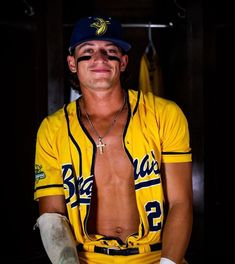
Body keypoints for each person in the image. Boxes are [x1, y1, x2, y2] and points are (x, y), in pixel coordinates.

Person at [34, 15, 193, 264]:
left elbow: (180, 202)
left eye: (110, 50)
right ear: (72, 63)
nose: (100, 58)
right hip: (86, 258)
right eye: (88, 51)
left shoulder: (164, 114)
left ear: (123, 62)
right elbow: (52, 215)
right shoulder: (52, 129)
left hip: (156, 255)